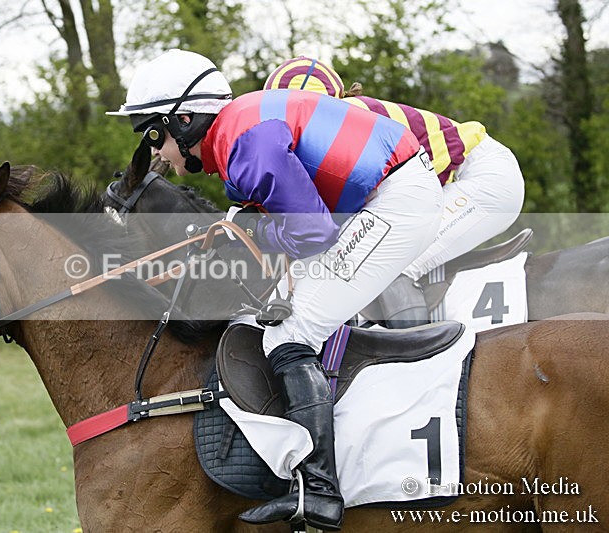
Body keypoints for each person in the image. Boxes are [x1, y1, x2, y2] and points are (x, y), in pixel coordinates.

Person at [108, 49, 444, 530]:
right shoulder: (238, 130)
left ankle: (320, 491)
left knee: (290, 333)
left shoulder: (242, 143)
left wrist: (250, 230)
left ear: (182, 120)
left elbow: (311, 232)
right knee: (280, 317)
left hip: (395, 202)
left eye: (153, 136)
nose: (156, 153)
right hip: (388, 194)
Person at [265, 56, 526, 327]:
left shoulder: (341, 122)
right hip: (468, 173)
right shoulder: (331, 123)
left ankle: (418, 361)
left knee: (389, 264)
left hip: (484, 177)